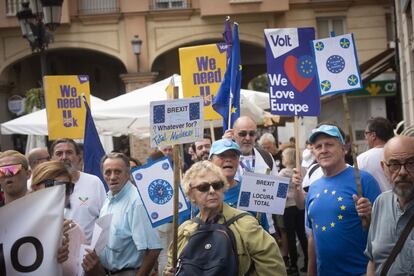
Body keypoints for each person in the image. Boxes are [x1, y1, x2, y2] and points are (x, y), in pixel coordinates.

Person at [164, 161, 287, 275]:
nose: (212, 191)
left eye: (217, 185)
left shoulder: (246, 225)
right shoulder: (183, 232)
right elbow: (170, 267)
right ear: (190, 194)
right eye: (203, 187)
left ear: (223, 188)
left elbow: (273, 269)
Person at [305, 124, 382, 276]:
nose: (324, 150)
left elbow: (384, 229)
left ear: (344, 149)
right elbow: (313, 236)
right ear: (314, 152)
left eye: (329, 144)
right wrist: (310, 272)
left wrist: (370, 214)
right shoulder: (313, 187)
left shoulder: (364, 181)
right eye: (318, 146)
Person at [82, 152, 162, 276]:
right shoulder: (108, 199)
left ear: (128, 173)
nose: (112, 177)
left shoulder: (137, 202)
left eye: (117, 171)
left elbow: (153, 249)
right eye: (108, 172)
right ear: (103, 174)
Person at [0, 151, 70, 265]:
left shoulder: (48, 213)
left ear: (28, 174)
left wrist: (57, 249)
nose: (7, 174)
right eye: (2, 171)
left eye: (13, 169)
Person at [365, 135, 414, 275]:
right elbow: (373, 261)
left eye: (410, 163)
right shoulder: (381, 203)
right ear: (384, 168)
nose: (403, 172)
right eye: (394, 164)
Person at [31, 160, 85, 276]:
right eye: (53, 185)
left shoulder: (75, 230)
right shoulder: (17, 228)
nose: (60, 192)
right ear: (34, 189)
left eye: (67, 187)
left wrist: (93, 268)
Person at [50, 138, 107, 244]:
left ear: (79, 158)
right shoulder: (44, 186)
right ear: (51, 159)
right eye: (59, 153)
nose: (64, 157)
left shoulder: (94, 182)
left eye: (69, 152)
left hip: (87, 256)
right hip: (55, 255)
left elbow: (104, 221)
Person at [209, 138, 272, 230]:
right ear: (210, 161)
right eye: (222, 156)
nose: (228, 160)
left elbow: (264, 233)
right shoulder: (203, 193)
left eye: (233, 156)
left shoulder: (250, 190)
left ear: (238, 161)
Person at [279, 147, 308, 275]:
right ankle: (308, 261)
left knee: (290, 236)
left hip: (288, 207)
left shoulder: (283, 173)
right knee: (302, 235)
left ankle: (294, 265)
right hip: (300, 206)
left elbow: (280, 192)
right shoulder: (302, 170)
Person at [357, 117, 394, 192]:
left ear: (373, 135)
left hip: (372, 203)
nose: (365, 137)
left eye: (366, 133)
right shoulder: (402, 154)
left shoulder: (360, 160)